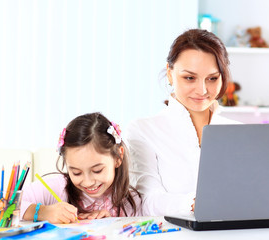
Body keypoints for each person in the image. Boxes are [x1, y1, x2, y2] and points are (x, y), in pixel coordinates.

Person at [126, 29, 240, 216]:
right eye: (189, 78)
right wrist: (197, 203)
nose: (202, 90)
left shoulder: (239, 132)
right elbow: (146, 202)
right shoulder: (143, 130)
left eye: (212, 78)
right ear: (170, 74)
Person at [21, 112, 142, 223]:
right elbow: (6, 204)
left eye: (97, 171)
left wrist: (111, 224)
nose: (88, 182)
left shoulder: (132, 202)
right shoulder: (59, 187)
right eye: (76, 173)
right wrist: (43, 212)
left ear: (118, 157)